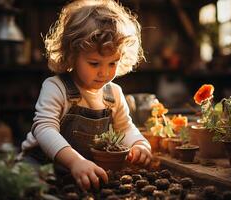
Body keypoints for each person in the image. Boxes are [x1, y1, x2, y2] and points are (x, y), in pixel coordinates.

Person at [20, 0, 152, 191]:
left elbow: (125, 129)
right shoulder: (56, 87)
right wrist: (75, 162)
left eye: (112, 63)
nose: (104, 73)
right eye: (94, 63)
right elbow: (44, 128)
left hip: (83, 171)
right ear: (72, 55)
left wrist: (140, 144)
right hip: (40, 166)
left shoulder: (114, 93)